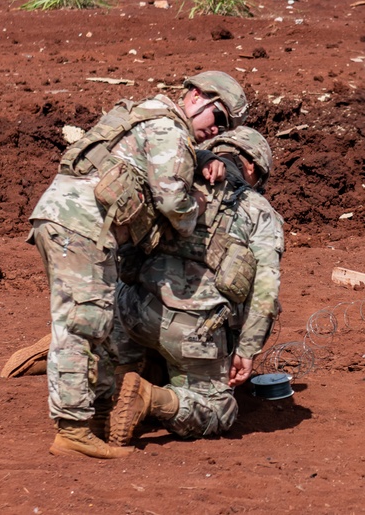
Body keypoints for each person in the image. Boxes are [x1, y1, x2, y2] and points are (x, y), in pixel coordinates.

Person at [28, 71, 248, 459]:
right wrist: (197, 207)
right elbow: (172, 203)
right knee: (81, 326)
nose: (216, 130)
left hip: (70, 220)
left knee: (92, 324)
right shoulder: (170, 129)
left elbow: (140, 156)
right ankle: (72, 430)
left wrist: (205, 156)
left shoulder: (148, 114)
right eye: (219, 119)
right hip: (82, 227)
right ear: (197, 96)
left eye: (225, 128)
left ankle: (91, 420)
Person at [107, 126, 284, 445]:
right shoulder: (259, 212)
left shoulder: (175, 183)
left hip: (131, 312)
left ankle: (120, 364)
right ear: (252, 168)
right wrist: (246, 350)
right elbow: (266, 294)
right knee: (219, 411)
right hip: (191, 335)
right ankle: (150, 398)